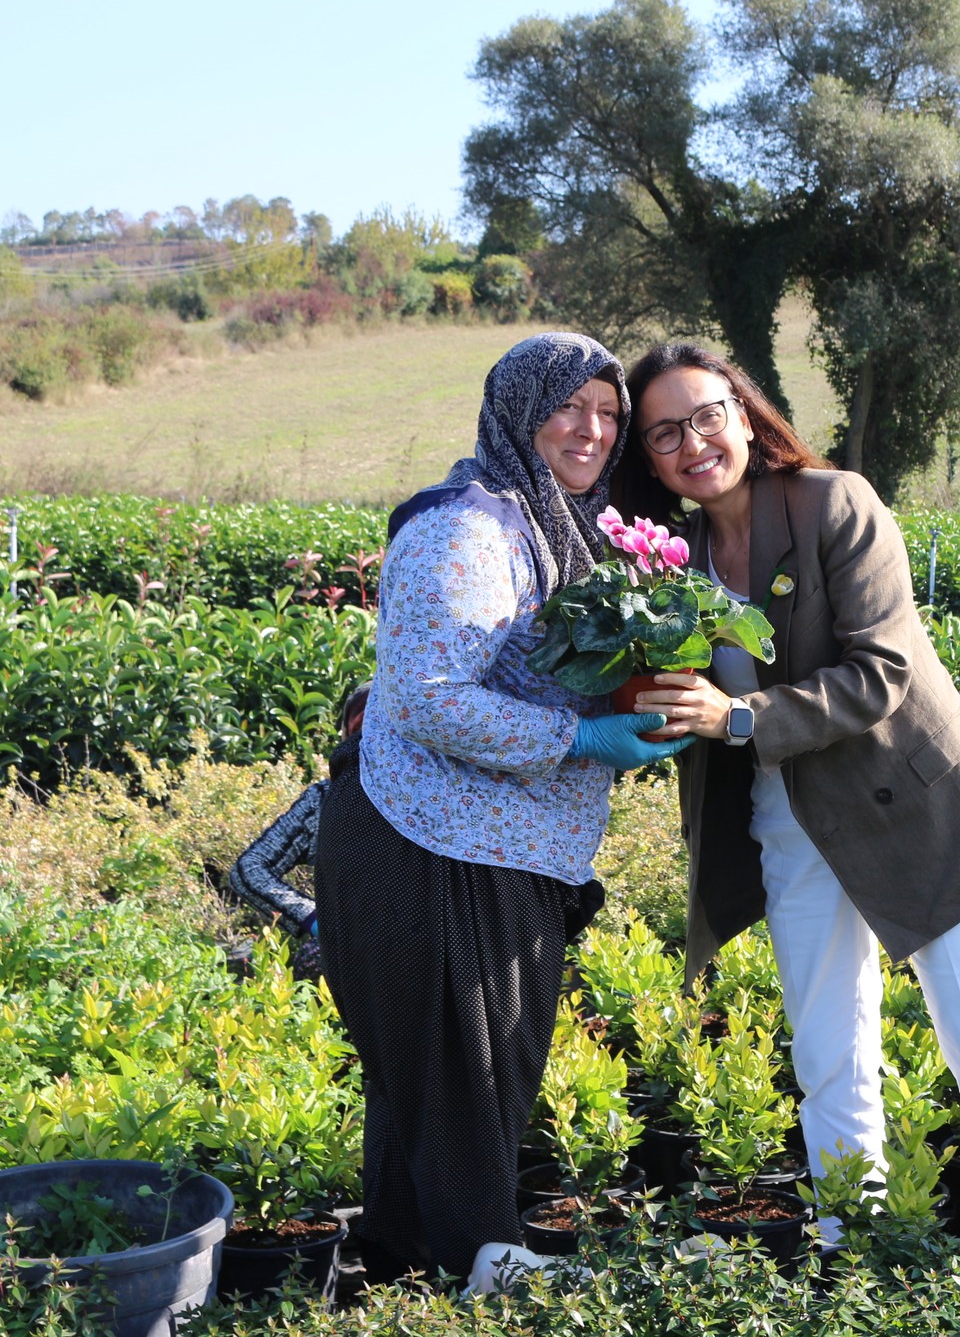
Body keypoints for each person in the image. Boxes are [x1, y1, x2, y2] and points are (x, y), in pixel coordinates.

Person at [611, 343, 960, 1256]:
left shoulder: (836, 502)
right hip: (792, 818)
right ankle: (849, 1249)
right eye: (665, 433)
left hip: (918, 809)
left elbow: (883, 671)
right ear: (651, 458)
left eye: (706, 415)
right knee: (827, 1055)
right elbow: (679, 702)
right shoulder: (672, 557)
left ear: (744, 413)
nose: (692, 442)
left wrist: (737, 717)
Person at [314, 333, 687, 1282]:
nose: (594, 429)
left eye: (609, 412)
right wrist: (581, 740)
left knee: (442, 1074)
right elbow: (432, 693)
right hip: (429, 842)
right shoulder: (469, 528)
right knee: (464, 1070)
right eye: (571, 406)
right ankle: (489, 1260)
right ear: (518, 411)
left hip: (484, 842)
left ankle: (409, 1259)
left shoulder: (549, 520)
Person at [224, 683, 370, 980]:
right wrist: (314, 919)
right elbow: (249, 869)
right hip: (365, 947)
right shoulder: (325, 800)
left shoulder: (328, 798)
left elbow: (249, 870)